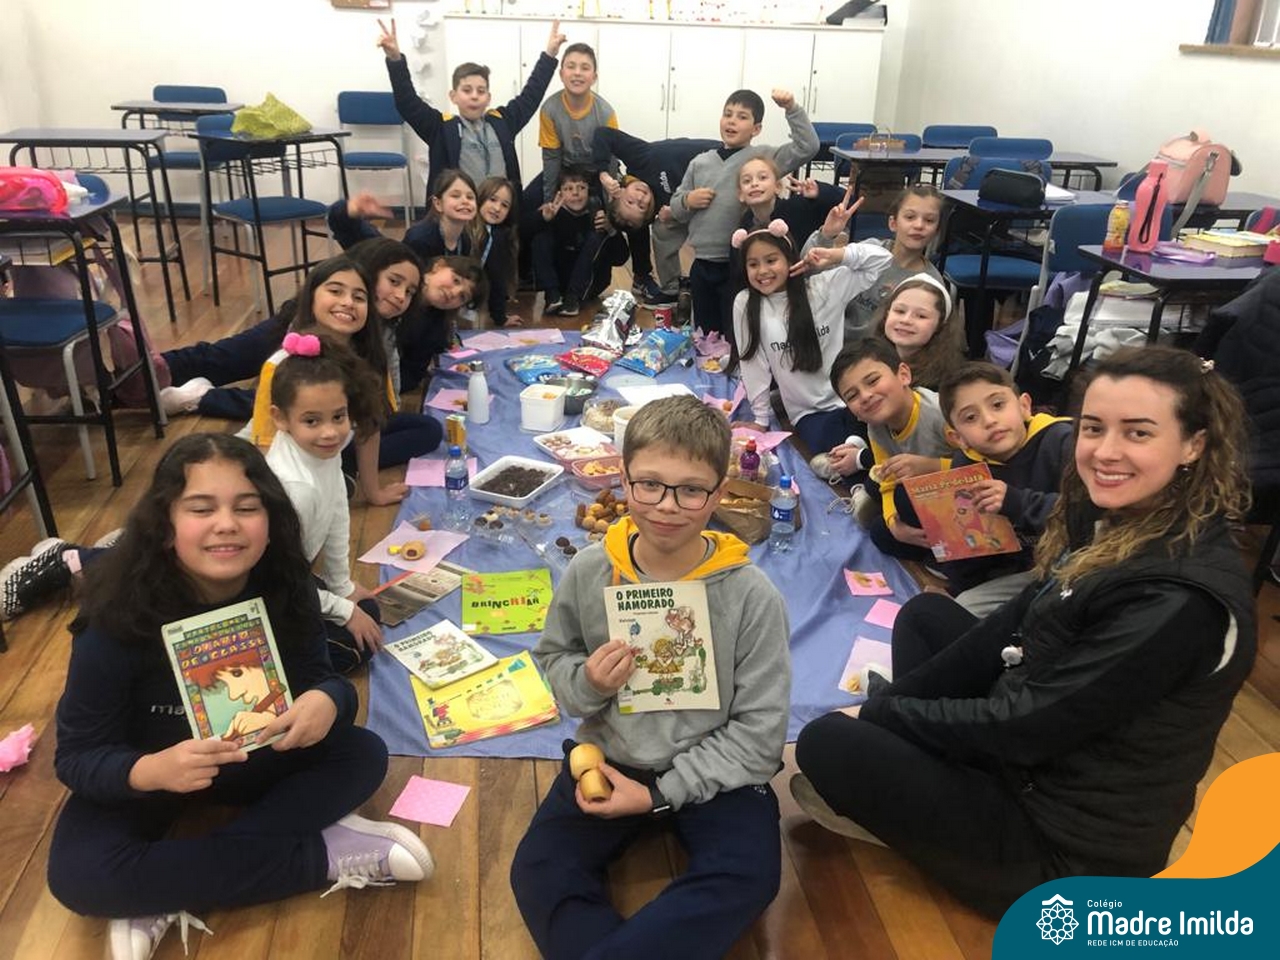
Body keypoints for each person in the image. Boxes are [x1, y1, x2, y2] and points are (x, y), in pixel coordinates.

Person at [792, 346, 1257, 919]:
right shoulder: (1112, 513)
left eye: (1137, 432)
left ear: (1193, 445)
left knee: (824, 740)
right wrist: (890, 710)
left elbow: (1026, 724)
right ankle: (918, 779)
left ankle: (920, 817)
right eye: (1094, 427)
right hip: (1027, 761)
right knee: (925, 616)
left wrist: (888, 715)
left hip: (1066, 853)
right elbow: (1011, 623)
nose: (1105, 451)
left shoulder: (1180, 600)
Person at [45, 434, 433, 960]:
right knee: (79, 876)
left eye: (247, 508)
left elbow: (325, 680)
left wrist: (327, 700)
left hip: (259, 756)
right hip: (156, 775)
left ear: (270, 523)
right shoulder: (114, 619)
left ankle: (160, 887)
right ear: (165, 525)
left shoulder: (288, 587)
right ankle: (321, 856)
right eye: (201, 508)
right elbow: (77, 757)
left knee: (363, 753)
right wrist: (149, 771)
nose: (226, 523)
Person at [510, 395, 790, 960]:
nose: (667, 506)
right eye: (650, 485)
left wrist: (660, 795)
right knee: (540, 869)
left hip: (717, 768)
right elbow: (555, 660)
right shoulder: (590, 570)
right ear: (623, 478)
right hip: (614, 757)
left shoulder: (751, 595)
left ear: (719, 494)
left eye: (691, 490)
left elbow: (759, 735)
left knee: (748, 874)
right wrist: (589, 683)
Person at [239, 254, 432, 506]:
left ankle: (341, 469)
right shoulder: (282, 363)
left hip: (328, 445)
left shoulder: (372, 360)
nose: (348, 302)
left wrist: (374, 493)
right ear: (311, 297)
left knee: (429, 429)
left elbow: (369, 427)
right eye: (335, 291)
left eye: (359, 297)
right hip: (273, 459)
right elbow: (266, 444)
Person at [266, 333, 388, 672]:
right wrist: (343, 609)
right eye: (311, 421)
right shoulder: (294, 488)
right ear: (280, 418)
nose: (330, 433)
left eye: (338, 416)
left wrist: (341, 586)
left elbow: (337, 513)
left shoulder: (324, 453)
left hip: (294, 576)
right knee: (354, 647)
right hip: (269, 593)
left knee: (368, 611)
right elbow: (278, 583)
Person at [912, 361, 1073, 614]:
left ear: (1024, 406)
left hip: (1073, 563)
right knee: (959, 608)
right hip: (1019, 571)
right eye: (970, 417)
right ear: (958, 438)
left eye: (998, 405)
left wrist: (1016, 502)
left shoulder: (1063, 441)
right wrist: (958, 584)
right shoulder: (966, 465)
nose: (989, 421)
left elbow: (1087, 514)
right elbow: (971, 544)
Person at [730, 211, 893, 459]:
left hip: (852, 397)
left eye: (771, 260)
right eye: (753, 264)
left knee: (884, 435)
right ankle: (861, 457)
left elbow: (883, 259)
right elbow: (753, 364)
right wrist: (761, 419)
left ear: (789, 259)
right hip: (808, 413)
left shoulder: (823, 287)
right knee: (834, 448)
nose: (762, 271)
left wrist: (835, 255)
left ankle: (863, 455)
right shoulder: (746, 303)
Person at [668, 88, 819, 336]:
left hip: (740, 264)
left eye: (742, 116)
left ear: (756, 129)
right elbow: (676, 208)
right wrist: (688, 200)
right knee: (704, 331)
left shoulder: (763, 158)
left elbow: (808, 147)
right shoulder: (700, 163)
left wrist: (791, 108)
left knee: (737, 330)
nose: (732, 121)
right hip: (702, 262)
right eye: (727, 114)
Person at [377, 17, 565, 187]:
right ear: (453, 96)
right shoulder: (440, 128)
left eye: (481, 91)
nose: (474, 96)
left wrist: (549, 55)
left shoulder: (503, 122)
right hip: (461, 212)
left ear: (488, 98)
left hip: (500, 210)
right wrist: (395, 59)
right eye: (467, 90)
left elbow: (531, 95)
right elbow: (408, 103)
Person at [826, 338, 954, 559]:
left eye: (873, 381)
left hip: (971, 497)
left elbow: (988, 467)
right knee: (881, 532)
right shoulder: (875, 428)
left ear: (903, 374)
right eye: (853, 396)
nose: (865, 396)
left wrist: (931, 467)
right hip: (928, 497)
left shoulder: (942, 414)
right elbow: (887, 481)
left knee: (903, 496)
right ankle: (935, 547)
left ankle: (950, 556)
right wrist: (893, 522)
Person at [591, 127, 719, 305]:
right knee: (662, 229)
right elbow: (694, 202)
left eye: (629, 201)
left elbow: (603, 134)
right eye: (642, 206)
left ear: (619, 191)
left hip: (720, 156)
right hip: (709, 194)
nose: (639, 198)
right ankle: (672, 289)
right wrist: (675, 211)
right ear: (650, 215)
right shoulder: (661, 208)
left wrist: (603, 174)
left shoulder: (639, 159)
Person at [803, 184, 946, 341]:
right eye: (910, 217)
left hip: (882, 352)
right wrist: (826, 235)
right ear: (893, 223)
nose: (919, 225)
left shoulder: (930, 282)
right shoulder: (868, 251)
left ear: (937, 231)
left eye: (929, 220)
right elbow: (811, 277)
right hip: (833, 341)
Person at [529, 167, 623, 317]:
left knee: (596, 237)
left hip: (589, 282)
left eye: (581, 188)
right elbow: (524, 235)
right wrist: (542, 219)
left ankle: (573, 298)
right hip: (560, 281)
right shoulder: (554, 213)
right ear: (559, 193)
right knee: (541, 236)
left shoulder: (598, 216)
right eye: (568, 189)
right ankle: (552, 295)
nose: (575, 193)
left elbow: (621, 258)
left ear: (589, 191)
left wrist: (611, 230)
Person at [473, 176, 521, 326]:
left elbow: (497, 279)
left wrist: (500, 316)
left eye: (504, 205)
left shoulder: (499, 236)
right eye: (492, 199)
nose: (497, 208)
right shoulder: (465, 226)